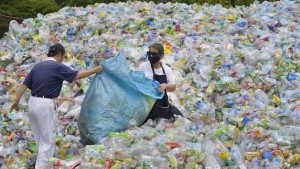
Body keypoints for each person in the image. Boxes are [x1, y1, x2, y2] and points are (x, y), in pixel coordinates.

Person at [9, 43, 103, 169]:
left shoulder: (38, 66)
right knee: (48, 140)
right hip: (45, 104)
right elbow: (77, 76)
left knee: (40, 138)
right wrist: (95, 70)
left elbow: (24, 85)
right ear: (59, 55)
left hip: (32, 103)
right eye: (63, 57)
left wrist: (16, 101)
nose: (62, 60)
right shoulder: (57, 66)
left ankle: (44, 164)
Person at [139, 43, 182, 124]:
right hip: (148, 106)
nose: (151, 56)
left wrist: (166, 86)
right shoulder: (143, 67)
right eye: (149, 53)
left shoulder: (166, 69)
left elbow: (173, 88)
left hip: (162, 105)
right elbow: (138, 85)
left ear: (161, 56)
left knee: (179, 119)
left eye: (154, 54)